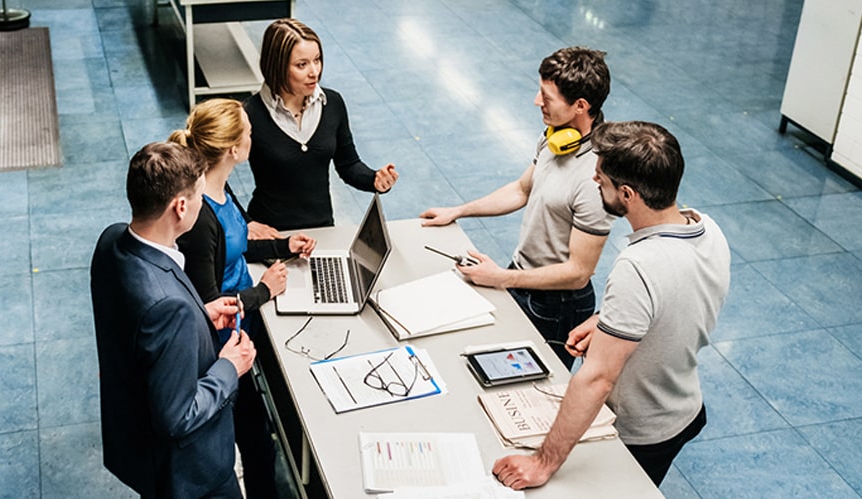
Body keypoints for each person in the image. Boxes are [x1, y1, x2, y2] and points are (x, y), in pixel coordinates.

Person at [492, 121, 731, 489]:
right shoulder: (707, 228)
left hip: (642, 430)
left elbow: (597, 379)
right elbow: (677, 292)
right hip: (684, 407)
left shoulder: (638, 264)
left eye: (601, 180)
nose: (593, 182)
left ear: (628, 194)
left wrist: (541, 463)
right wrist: (609, 321)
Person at [420, 47, 614, 370]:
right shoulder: (556, 137)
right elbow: (522, 189)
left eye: (546, 97)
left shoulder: (595, 178)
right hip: (521, 276)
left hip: (556, 304)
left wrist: (502, 278)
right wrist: (459, 211)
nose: (537, 102)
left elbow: (579, 273)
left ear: (581, 106)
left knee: (531, 385)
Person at [90, 142, 257, 499]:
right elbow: (177, 417)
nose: (203, 204)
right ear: (180, 207)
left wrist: (201, 316)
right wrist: (230, 366)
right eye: (199, 197)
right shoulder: (169, 308)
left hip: (134, 440)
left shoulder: (110, 241)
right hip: (191, 476)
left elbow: (139, 332)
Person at [169, 98, 317, 498]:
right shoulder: (200, 218)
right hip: (224, 344)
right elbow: (210, 304)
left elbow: (235, 246)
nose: (255, 137)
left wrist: (284, 244)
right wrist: (264, 290)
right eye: (249, 133)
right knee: (254, 438)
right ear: (233, 149)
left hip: (247, 310)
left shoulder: (219, 185)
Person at [243, 18, 399, 232]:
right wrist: (247, 223)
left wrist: (375, 179)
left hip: (322, 231)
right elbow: (213, 182)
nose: (314, 72)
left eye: (317, 60)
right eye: (301, 65)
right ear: (277, 66)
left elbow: (348, 165)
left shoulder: (332, 104)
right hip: (273, 235)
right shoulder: (249, 115)